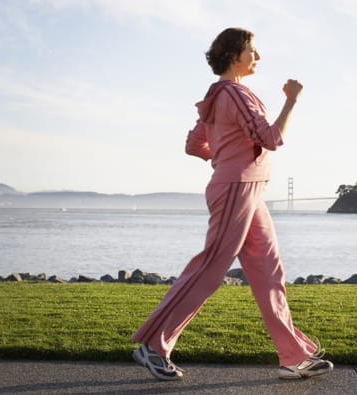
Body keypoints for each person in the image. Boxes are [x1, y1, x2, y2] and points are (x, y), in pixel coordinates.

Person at [131, 27, 332, 381]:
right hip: (237, 189)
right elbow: (271, 138)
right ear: (233, 54)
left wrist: (226, 155)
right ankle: (153, 345)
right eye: (252, 51)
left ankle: (293, 356)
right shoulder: (235, 93)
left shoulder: (216, 97)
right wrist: (291, 100)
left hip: (246, 189)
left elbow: (195, 145)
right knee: (210, 268)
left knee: (269, 272)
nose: (257, 57)